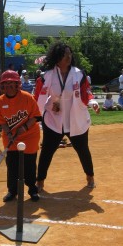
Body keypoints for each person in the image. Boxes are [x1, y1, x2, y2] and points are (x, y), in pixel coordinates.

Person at [34, 42, 100, 192]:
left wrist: (93, 102)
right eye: (65, 54)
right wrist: (46, 107)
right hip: (53, 120)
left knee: (83, 150)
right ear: (57, 57)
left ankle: (90, 177)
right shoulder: (46, 76)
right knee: (47, 152)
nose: (68, 57)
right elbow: (38, 97)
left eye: (70, 54)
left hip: (75, 120)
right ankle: (40, 182)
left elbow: (86, 93)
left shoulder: (79, 74)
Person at [0, 70, 41, 202]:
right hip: (11, 138)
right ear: (2, 85)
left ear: (17, 84)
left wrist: (24, 127)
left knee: (29, 163)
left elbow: (36, 117)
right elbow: (1, 122)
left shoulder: (27, 97)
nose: (9, 86)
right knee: (12, 163)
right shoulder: (0, 101)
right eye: (6, 83)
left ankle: (32, 189)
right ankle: (12, 191)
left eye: (11, 83)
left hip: (30, 135)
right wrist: (9, 133)